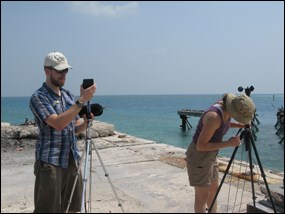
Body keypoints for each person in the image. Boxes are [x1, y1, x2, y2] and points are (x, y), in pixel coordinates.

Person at [29, 51, 96, 213]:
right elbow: (58, 123)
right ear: (47, 71)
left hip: (71, 159)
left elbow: (74, 127)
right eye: (59, 71)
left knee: (73, 207)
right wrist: (81, 101)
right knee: (48, 209)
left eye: (65, 70)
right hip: (50, 162)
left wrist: (85, 124)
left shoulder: (67, 95)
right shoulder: (38, 97)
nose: (63, 75)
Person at [185, 93, 255, 213]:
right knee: (202, 197)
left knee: (213, 192)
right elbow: (200, 146)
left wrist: (240, 125)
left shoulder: (225, 108)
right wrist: (229, 143)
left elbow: (223, 124)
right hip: (199, 156)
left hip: (211, 155)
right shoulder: (214, 117)